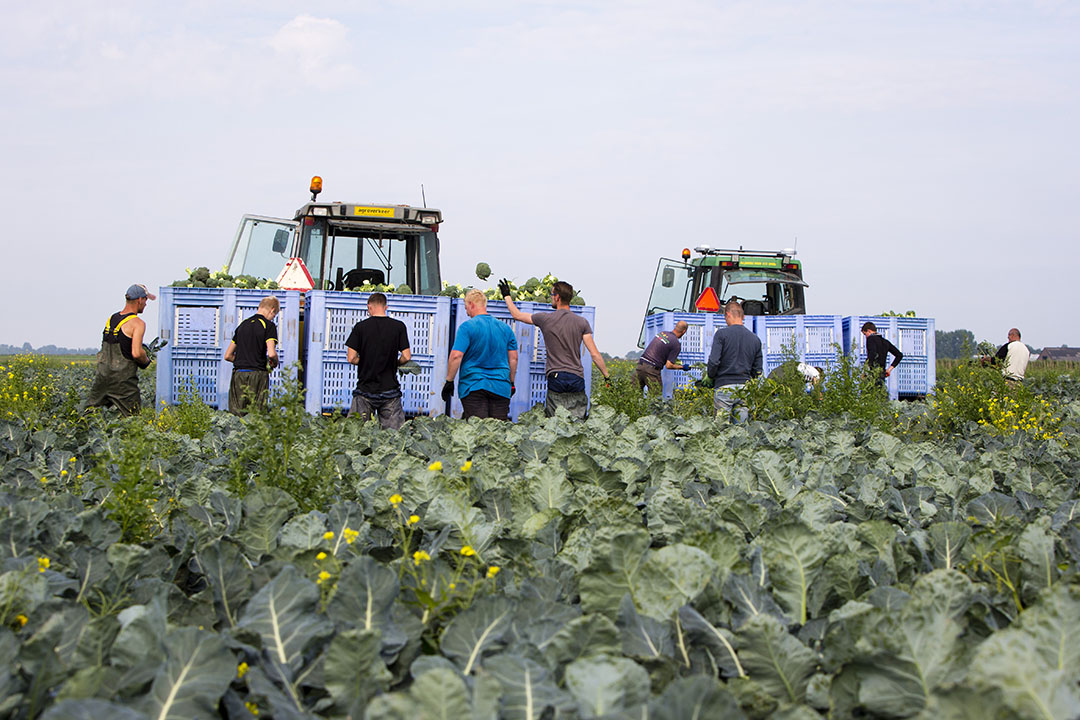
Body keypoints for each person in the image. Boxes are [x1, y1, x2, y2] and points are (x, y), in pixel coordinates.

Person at [499, 278, 610, 419]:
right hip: (576, 378)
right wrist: (607, 377)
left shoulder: (545, 319)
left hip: (556, 377)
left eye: (552, 295)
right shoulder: (582, 322)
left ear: (557, 298)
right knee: (578, 420)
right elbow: (594, 354)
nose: (551, 298)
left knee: (555, 421)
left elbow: (516, 315)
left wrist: (507, 295)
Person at [442, 289, 518, 420]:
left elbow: (456, 356)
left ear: (471, 304)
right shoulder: (505, 328)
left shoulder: (467, 327)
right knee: (497, 434)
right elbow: (513, 358)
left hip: (473, 386)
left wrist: (449, 381)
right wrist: (511, 382)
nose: (467, 312)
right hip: (501, 387)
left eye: (466, 308)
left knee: (478, 433)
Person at [84, 284, 156, 415]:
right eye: (146, 300)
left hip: (102, 377)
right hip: (123, 383)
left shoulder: (111, 319)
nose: (146, 304)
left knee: (88, 416)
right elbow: (136, 352)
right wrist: (146, 360)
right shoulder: (138, 323)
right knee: (132, 420)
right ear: (140, 299)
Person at [345, 293, 411, 429]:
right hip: (390, 390)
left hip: (365, 389)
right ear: (385, 306)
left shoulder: (360, 327)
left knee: (356, 435)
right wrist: (395, 363)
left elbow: (351, 358)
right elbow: (407, 356)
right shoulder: (398, 326)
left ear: (369, 307)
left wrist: (363, 361)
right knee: (393, 438)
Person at [707, 300, 762, 422]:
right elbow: (758, 370)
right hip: (744, 388)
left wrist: (710, 376)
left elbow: (714, 361)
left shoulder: (721, 335)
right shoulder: (755, 339)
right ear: (743, 316)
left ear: (728, 314)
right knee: (740, 431)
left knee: (720, 429)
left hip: (724, 386)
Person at [224, 296, 280, 415]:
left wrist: (242, 360)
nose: (272, 318)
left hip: (238, 374)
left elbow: (228, 355)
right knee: (256, 415)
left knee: (237, 415)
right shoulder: (269, 326)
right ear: (272, 310)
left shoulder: (242, 326)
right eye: (274, 315)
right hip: (257, 375)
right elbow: (271, 353)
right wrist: (274, 362)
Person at [637, 321, 689, 396]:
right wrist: (683, 367)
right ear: (684, 331)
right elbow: (669, 365)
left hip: (640, 366)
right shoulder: (676, 344)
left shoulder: (663, 333)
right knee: (655, 399)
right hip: (652, 370)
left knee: (633, 395)